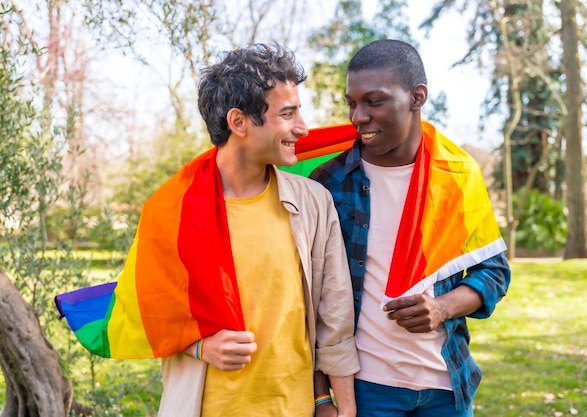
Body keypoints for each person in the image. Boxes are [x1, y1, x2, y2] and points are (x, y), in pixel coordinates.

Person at [310, 39, 511, 417]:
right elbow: (308, 297)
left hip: (446, 387)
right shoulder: (329, 182)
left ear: (417, 97)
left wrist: (441, 307)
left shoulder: (456, 175)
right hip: (367, 388)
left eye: (374, 101)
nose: (357, 117)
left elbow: (494, 271)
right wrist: (322, 397)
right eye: (352, 103)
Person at [157, 43, 359, 417]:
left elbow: (335, 315)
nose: (303, 127)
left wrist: (341, 406)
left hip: (295, 408)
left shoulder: (314, 202)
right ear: (239, 123)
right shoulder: (174, 209)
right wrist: (200, 346)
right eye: (287, 114)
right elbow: (151, 309)